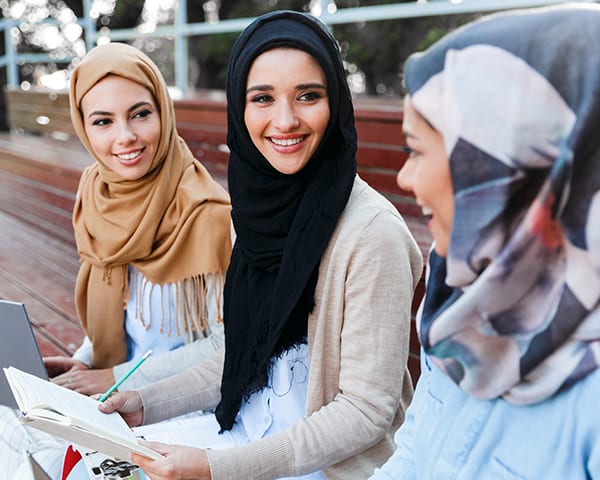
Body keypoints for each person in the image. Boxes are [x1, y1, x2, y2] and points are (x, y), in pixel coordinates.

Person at [98, 10, 423, 480]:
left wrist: (214, 468)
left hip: (321, 469)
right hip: (242, 439)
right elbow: (239, 356)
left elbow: (365, 413)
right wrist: (143, 404)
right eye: (262, 98)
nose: (285, 121)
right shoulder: (253, 214)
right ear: (239, 107)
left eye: (308, 95)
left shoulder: (373, 235)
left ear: (336, 104)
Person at [370, 4, 600, 479]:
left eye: (415, 149)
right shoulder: (458, 286)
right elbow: (413, 449)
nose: (404, 176)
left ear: (498, 169)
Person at [0, 42, 232, 479]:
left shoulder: (209, 215)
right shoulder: (95, 195)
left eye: (140, 114)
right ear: (85, 128)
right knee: (4, 421)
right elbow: (123, 314)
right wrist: (86, 360)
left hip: (181, 406)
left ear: (163, 113)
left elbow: (227, 347)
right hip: (111, 393)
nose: (124, 136)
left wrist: (116, 376)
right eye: (103, 121)